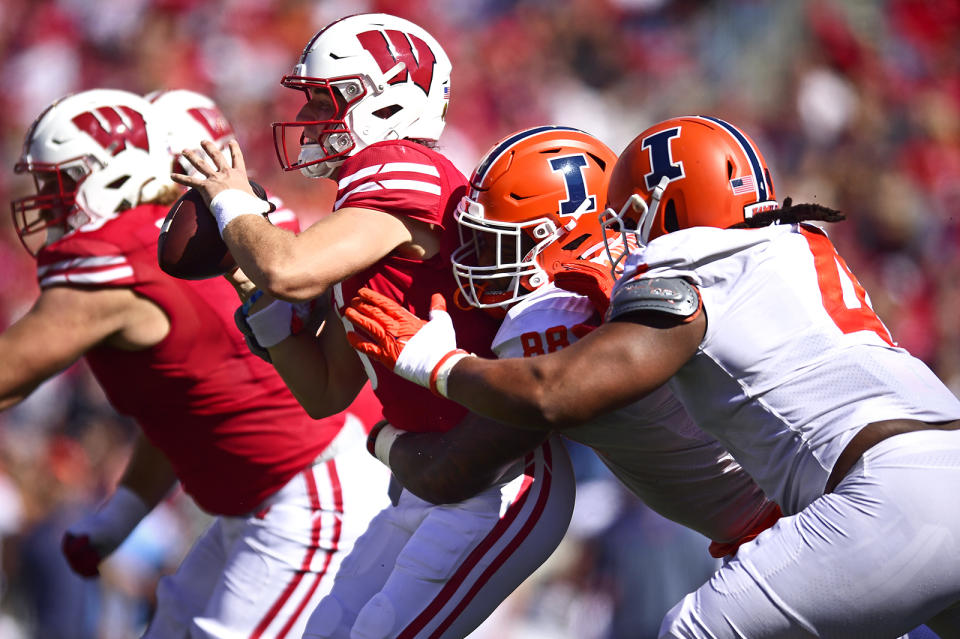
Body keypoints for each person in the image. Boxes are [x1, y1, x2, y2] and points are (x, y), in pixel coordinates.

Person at [345, 115, 960, 638]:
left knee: (691, 630)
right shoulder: (799, 244)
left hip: (877, 495)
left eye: (630, 216)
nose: (622, 237)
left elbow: (551, 394)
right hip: (936, 458)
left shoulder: (677, 270)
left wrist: (430, 364)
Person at [172, 14, 576, 639]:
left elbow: (287, 265)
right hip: (429, 473)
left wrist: (232, 203)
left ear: (387, 104)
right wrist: (258, 299)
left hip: (497, 468)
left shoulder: (400, 166)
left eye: (325, 102)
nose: (309, 122)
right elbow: (325, 390)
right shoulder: (362, 215)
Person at [3, 87, 391, 638]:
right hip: (269, 496)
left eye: (57, 185)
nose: (44, 204)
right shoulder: (174, 236)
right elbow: (182, 410)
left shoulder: (116, 258)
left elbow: (9, 375)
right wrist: (119, 516)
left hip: (310, 490)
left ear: (111, 174)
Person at [367, 124, 781, 558]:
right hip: (786, 503)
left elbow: (451, 472)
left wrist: (383, 427)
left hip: (782, 521)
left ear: (555, 234)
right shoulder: (650, 265)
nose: (475, 260)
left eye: (493, 242)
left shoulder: (549, 316)